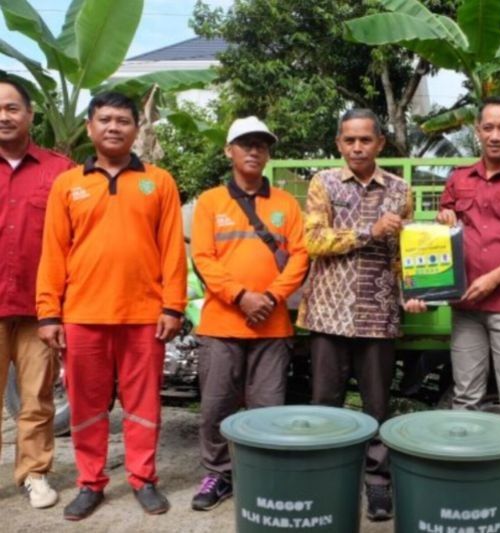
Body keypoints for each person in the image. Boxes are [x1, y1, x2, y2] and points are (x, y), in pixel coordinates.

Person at [36, 92, 187, 520]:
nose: (114, 127)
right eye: (105, 119)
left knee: (144, 405)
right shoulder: (68, 184)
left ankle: (143, 479)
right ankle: (90, 482)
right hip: (82, 316)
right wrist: (49, 312)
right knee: (86, 406)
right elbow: (53, 252)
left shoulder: (159, 182)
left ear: (137, 129)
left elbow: (172, 248)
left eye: (123, 120)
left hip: (144, 317)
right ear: (90, 127)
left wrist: (172, 306)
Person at [406, 96, 500, 524]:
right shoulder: (459, 178)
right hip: (466, 307)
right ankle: (466, 477)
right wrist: (445, 222)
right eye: (487, 127)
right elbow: (442, 238)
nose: (494, 135)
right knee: (466, 395)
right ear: (477, 129)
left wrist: (494, 278)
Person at [297, 108, 412, 521]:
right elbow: (312, 240)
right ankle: (323, 478)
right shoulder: (323, 182)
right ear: (339, 143)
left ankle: (377, 485)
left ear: (380, 143)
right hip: (329, 314)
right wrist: (368, 232)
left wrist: (413, 292)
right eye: (350, 140)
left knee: (377, 404)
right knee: (325, 402)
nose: (358, 147)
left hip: (378, 316)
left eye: (366, 140)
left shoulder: (401, 190)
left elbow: (406, 254)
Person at [189, 116, 308, 511]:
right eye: (245, 144)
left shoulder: (286, 204)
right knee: (216, 407)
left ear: (268, 153)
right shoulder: (210, 202)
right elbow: (203, 258)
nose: (253, 151)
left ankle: (262, 475)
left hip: (272, 327)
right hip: (222, 325)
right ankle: (218, 474)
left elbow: (301, 257)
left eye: (261, 144)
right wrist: (241, 296)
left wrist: (271, 297)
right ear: (229, 151)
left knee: (268, 409)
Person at [0, 77, 73, 509]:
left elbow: (75, 240)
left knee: (37, 399)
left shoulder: (59, 171)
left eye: (12, 108)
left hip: (39, 309)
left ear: (30, 115)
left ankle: (35, 473)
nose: (3, 116)